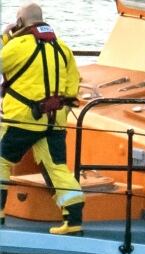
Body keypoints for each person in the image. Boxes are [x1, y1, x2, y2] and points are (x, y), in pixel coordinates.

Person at [0, 2, 84, 235]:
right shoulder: (62, 48)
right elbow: (72, 85)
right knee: (57, 167)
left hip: (23, 120)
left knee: (1, 160)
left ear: (19, 22)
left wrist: (4, 39)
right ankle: (74, 220)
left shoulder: (17, 46)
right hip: (54, 120)